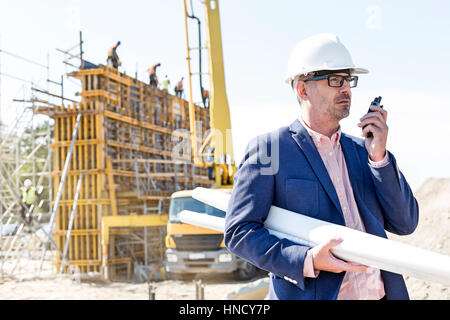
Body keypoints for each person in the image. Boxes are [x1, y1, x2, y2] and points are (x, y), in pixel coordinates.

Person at [224, 33, 419, 300]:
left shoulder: (365, 152)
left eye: (348, 80)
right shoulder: (270, 150)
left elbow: (405, 223)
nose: (346, 89)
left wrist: (379, 158)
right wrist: (307, 259)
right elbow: (240, 232)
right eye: (335, 80)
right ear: (303, 89)